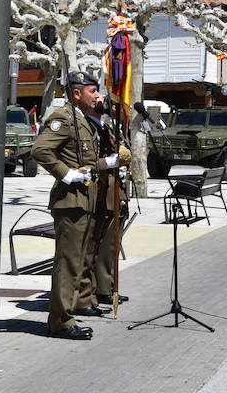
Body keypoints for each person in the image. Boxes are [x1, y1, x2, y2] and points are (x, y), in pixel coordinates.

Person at [31, 71, 122, 340]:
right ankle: (60, 322)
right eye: (92, 91)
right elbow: (40, 150)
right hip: (70, 202)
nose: (97, 95)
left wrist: (108, 163)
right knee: (68, 263)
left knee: (78, 260)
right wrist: (65, 173)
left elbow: (88, 162)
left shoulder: (82, 120)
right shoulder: (64, 118)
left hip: (84, 200)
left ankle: (66, 314)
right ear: (76, 93)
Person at [87, 98, 132, 308]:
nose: (116, 108)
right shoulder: (93, 127)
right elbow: (89, 161)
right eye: (113, 104)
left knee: (113, 242)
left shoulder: (110, 127)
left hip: (117, 188)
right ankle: (103, 288)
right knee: (104, 242)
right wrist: (111, 162)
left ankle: (108, 286)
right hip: (104, 189)